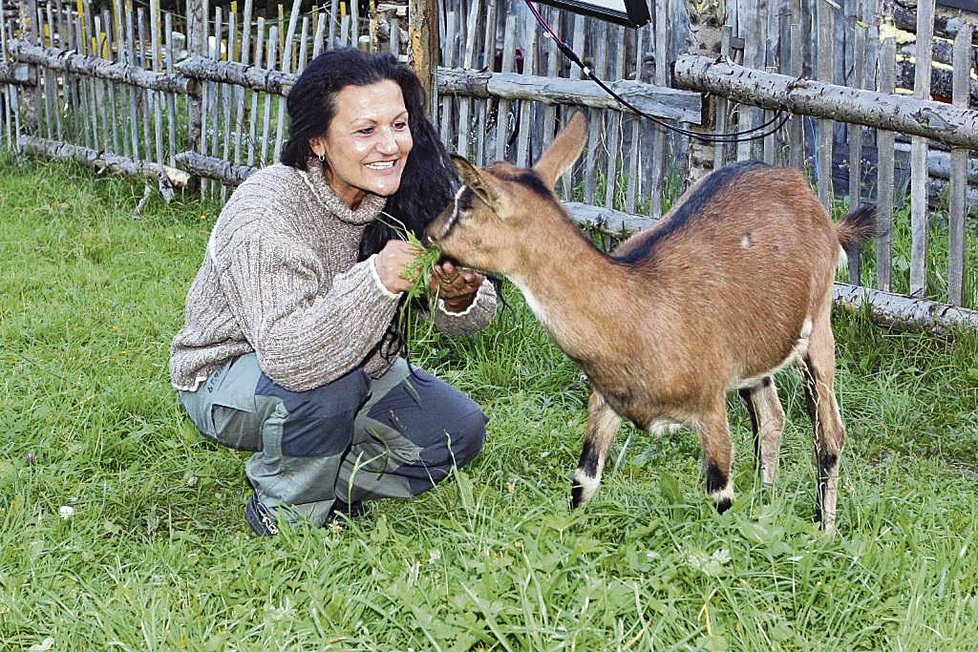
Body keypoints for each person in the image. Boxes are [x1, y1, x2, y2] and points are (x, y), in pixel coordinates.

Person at [169, 48, 497, 536]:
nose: (390, 145)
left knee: (455, 433)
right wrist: (377, 281)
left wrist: (456, 295)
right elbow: (289, 356)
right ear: (319, 141)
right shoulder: (268, 211)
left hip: (354, 363)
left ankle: (321, 473)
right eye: (365, 131)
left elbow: (476, 316)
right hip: (229, 373)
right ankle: (285, 515)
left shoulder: (408, 192)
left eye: (399, 125)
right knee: (328, 387)